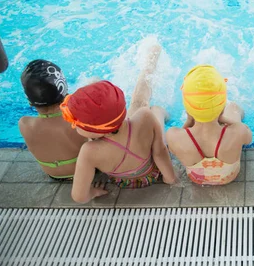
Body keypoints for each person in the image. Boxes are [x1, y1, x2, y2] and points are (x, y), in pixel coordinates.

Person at [61, 45, 176, 203]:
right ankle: (152, 63)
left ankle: (151, 64)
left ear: (91, 129)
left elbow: (79, 197)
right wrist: (171, 179)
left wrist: (94, 192)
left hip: (124, 181)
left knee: (139, 105)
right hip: (151, 174)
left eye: (74, 122)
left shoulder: (89, 151)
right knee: (144, 106)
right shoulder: (145, 117)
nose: (74, 125)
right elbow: (160, 152)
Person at [166, 65, 252, 185]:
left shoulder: (173, 136)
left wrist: (189, 122)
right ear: (221, 108)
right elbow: (248, 138)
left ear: (188, 108)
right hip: (229, 177)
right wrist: (223, 118)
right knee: (233, 108)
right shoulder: (238, 131)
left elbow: (174, 150)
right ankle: (228, 110)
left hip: (197, 179)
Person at [18, 60, 86, 180]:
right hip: (85, 171)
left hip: (53, 175)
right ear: (65, 92)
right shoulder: (77, 120)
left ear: (30, 101)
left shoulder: (24, 124)